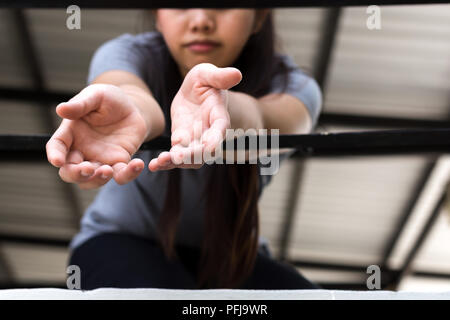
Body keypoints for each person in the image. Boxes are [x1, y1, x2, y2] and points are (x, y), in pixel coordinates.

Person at [46, 9, 323, 290]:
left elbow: (265, 122)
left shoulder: (295, 85)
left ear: (259, 17)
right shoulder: (126, 53)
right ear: (157, 16)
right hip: (119, 240)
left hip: (234, 256)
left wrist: (221, 108)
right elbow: (131, 92)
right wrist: (134, 111)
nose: (201, 21)